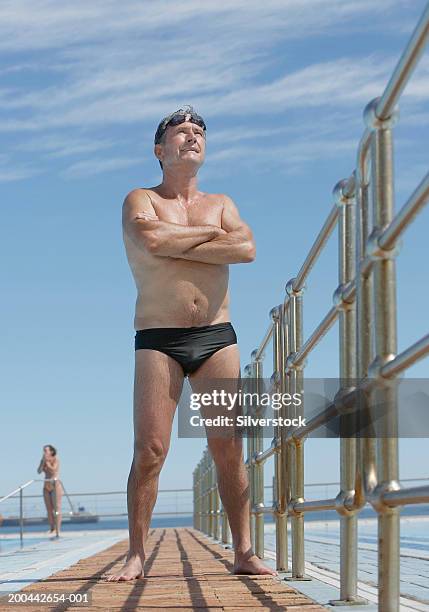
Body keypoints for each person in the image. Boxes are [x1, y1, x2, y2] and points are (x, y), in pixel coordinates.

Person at [103, 105, 276, 581]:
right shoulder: (139, 198)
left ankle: (243, 551)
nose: (192, 137)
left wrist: (182, 237)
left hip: (217, 336)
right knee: (151, 450)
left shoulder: (222, 201)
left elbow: (246, 249)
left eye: (199, 131)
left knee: (228, 447)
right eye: (181, 132)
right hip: (158, 338)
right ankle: (137, 554)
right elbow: (151, 241)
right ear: (160, 150)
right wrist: (210, 238)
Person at [37, 445, 63, 535]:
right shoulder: (43, 460)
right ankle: (52, 528)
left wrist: (48, 463)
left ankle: (57, 529)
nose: (44, 452)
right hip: (46, 485)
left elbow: (53, 470)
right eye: (43, 450)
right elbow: (39, 471)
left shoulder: (56, 459)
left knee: (57, 508)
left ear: (51, 451)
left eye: (46, 451)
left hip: (55, 485)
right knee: (49, 509)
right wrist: (43, 462)